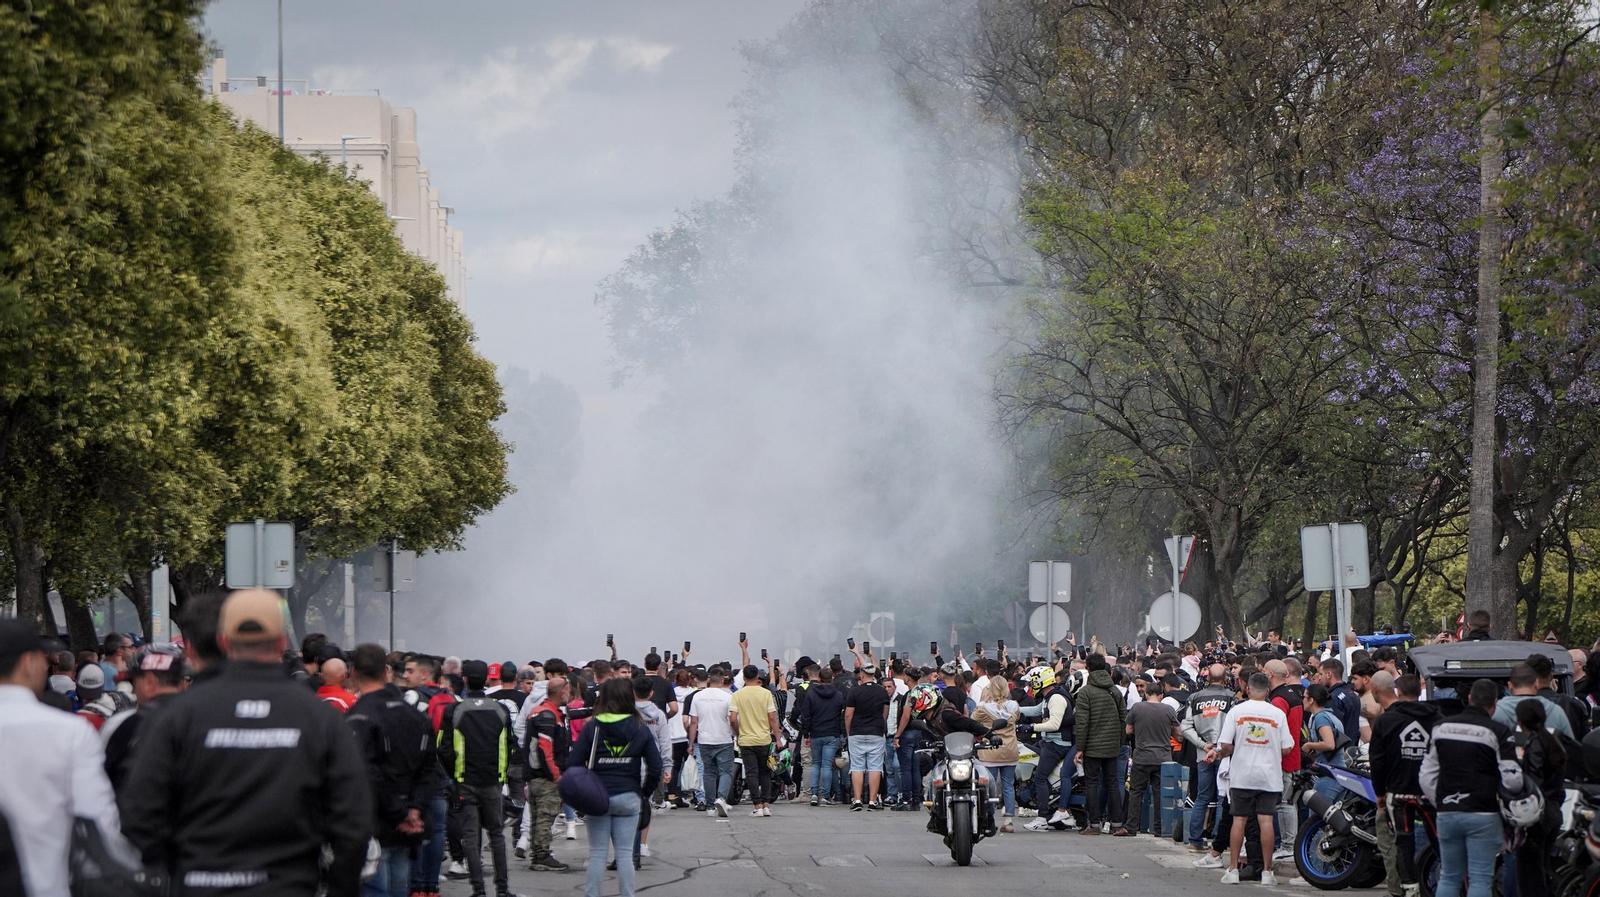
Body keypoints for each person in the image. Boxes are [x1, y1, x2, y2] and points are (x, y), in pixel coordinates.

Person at [120, 588, 372, 896]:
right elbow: (353, 821)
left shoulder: (179, 715)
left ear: (224, 641)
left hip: (201, 885)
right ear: (282, 643)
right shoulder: (319, 717)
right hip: (287, 886)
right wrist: (339, 888)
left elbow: (139, 812)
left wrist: (180, 868)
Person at [0, 619, 120, 897]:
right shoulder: (69, 732)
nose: (46, 667)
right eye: (43, 659)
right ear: (27, 662)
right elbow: (100, 824)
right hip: (48, 885)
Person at [345, 643, 438, 897]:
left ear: (353, 672)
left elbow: (366, 772)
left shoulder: (358, 717)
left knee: (377, 886)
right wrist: (414, 809)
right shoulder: (415, 715)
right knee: (398, 884)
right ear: (386, 671)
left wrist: (401, 813)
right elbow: (430, 766)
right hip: (408, 822)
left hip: (377, 822)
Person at [1421, 678, 1524, 897]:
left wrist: (1440, 801)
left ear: (1469, 699)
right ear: (1495, 702)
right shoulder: (1499, 731)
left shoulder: (1441, 728)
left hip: (1447, 811)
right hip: (1483, 811)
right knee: (1480, 878)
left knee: (1449, 876)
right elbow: (1512, 781)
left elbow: (1426, 776)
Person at [436, 659, 522, 897]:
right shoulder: (500, 710)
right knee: (496, 835)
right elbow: (511, 745)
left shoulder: (454, 710)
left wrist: (454, 776)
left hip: (465, 781)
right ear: (486, 679)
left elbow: (442, 749)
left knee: (471, 837)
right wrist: (501, 776)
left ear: (464, 679)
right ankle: (502, 890)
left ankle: (479, 890)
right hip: (493, 781)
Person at [569, 677, 662, 897]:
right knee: (624, 854)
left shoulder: (593, 727)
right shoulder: (639, 727)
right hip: (629, 795)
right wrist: (644, 793)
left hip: (598, 796)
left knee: (598, 853)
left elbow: (573, 763)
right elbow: (655, 767)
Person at [1212, 673, 1293, 886]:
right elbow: (1287, 747)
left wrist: (1228, 752)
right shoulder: (1277, 714)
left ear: (1247, 689)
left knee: (1239, 820)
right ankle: (1267, 872)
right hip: (1269, 775)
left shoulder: (1236, 711)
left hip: (1242, 774)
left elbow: (1225, 745)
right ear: (1267, 690)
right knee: (1266, 821)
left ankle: (1233, 870)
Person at [1369, 673, 1440, 897]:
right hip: (1430, 792)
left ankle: (1410, 890)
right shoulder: (1436, 718)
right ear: (1419, 692)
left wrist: (1380, 793)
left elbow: (1377, 761)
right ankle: (1452, 883)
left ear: (1399, 692)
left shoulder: (1386, 720)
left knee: (1403, 842)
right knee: (1439, 840)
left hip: (1398, 794)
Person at [101, 642, 187, 795]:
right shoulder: (206, 723)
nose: (133, 690)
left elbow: (100, 785)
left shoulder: (120, 725)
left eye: (133, 682)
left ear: (149, 682)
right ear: (182, 683)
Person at [1511, 699, 1565, 897]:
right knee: (1542, 870)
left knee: (1529, 876)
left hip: (1537, 817)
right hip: (1553, 811)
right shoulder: (1553, 741)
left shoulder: (1534, 745)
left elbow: (1534, 783)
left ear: (1521, 720)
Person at [1182, 663, 1236, 853]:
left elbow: (1185, 727)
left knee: (1202, 796)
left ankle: (1195, 840)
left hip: (1203, 753)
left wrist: (1202, 744)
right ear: (1225, 679)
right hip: (1224, 753)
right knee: (1223, 797)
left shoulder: (1195, 698)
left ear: (1208, 678)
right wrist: (1220, 746)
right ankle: (1219, 841)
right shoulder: (1231, 697)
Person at [1018, 663, 1078, 831]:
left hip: (1057, 744)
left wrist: (1031, 727)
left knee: (1040, 778)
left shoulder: (1056, 698)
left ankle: (1042, 817)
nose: (1030, 687)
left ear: (1039, 683)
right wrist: (1012, 709)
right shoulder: (1049, 697)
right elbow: (1035, 710)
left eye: (1032, 683)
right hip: (1049, 742)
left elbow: (1054, 724)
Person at [1074, 653, 1128, 836]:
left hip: (1092, 746)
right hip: (1112, 745)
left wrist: (1080, 748)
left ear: (1088, 669)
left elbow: (1082, 723)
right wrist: (1119, 741)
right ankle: (1117, 823)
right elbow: (1123, 718)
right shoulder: (1115, 691)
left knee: (1092, 783)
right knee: (1113, 782)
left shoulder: (1086, 692)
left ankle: (1094, 824)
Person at [1123, 677, 1180, 837]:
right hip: (1163, 758)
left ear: (1146, 694)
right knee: (1160, 794)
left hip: (1141, 757)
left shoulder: (1137, 707)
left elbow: (1128, 730)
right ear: (1161, 695)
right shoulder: (1168, 710)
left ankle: (1131, 826)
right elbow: (1178, 733)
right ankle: (1159, 828)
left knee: (1136, 792)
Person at [1265, 658, 1304, 860]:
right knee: (1289, 803)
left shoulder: (1278, 700)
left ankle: (1288, 846)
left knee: (1284, 803)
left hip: (1284, 759)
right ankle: (1289, 845)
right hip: (1293, 756)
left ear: (1270, 675)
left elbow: (1275, 731)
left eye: (1264, 672)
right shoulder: (1292, 695)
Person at [730, 663, 781, 817]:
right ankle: (766, 805)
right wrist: (777, 737)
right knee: (765, 772)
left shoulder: (738, 695)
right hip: (764, 738)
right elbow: (772, 717)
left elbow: (732, 718)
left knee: (752, 773)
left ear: (744, 677)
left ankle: (757, 805)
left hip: (746, 740)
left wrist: (738, 733)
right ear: (757, 677)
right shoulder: (766, 694)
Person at [972, 676, 1021, 833]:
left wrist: (982, 702)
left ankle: (990, 818)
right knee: (1008, 786)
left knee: (989, 787)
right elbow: (1017, 717)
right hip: (1010, 750)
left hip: (990, 751)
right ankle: (1009, 821)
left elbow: (972, 719)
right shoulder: (1014, 706)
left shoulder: (984, 708)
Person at [687, 669, 736, 817]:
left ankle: (709, 805)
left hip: (704, 740)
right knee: (725, 771)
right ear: (721, 681)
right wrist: (737, 734)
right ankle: (721, 798)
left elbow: (693, 722)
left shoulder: (697, 697)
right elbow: (732, 719)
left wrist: (691, 743)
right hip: (723, 738)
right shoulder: (727, 697)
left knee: (709, 772)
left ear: (709, 680)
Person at [844, 662, 891, 811]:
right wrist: (880, 725)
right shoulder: (882, 691)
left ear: (862, 674)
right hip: (876, 731)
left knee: (857, 766)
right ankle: (872, 801)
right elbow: (885, 713)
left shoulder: (854, 691)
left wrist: (849, 732)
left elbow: (848, 715)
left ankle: (857, 800)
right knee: (875, 767)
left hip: (857, 731)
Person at [797, 665, 846, 806]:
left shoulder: (811, 694)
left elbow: (806, 715)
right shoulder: (838, 695)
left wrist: (806, 734)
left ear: (819, 678)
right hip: (832, 733)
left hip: (815, 733)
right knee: (827, 765)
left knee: (815, 764)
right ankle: (825, 795)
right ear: (832, 678)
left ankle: (814, 794)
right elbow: (841, 716)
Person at [1493, 663, 1575, 739]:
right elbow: (1569, 744)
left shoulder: (1496, 711)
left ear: (1510, 686)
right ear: (1536, 683)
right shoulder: (1556, 711)